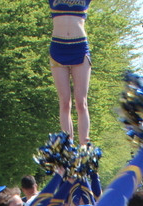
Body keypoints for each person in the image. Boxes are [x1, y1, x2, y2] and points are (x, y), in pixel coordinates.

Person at [49, 0, 92, 144]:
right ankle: (68, 145)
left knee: (81, 101)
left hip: (79, 47)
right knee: (65, 101)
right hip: (58, 48)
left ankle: (85, 145)